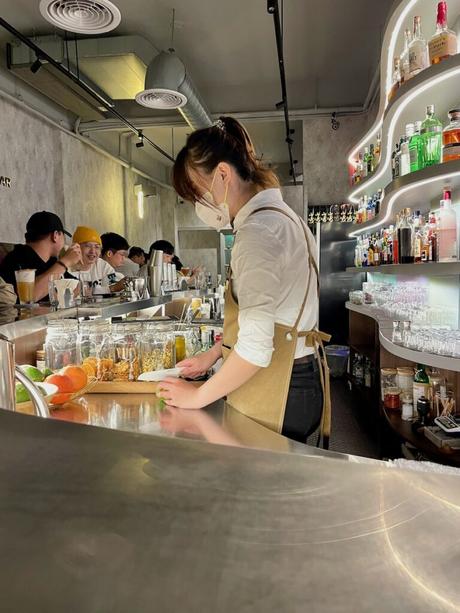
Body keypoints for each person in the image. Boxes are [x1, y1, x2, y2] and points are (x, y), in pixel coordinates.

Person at [157, 116, 331, 445]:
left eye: (196, 192)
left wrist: (196, 397)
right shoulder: (284, 218)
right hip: (301, 375)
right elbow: (274, 315)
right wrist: (213, 355)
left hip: (280, 386)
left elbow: (255, 347)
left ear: (223, 174)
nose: (198, 204)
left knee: (261, 486)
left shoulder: (257, 234)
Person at [0, 211, 82, 302]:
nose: (64, 243)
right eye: (63, 236)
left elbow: (78, 286)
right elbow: (27, 299)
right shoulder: (16, 258)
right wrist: (65, 262)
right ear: (55, 236)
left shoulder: (51, 262)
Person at [70, 226, 125, 293]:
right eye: (87, 246)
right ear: (76, 247)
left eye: (97, 247)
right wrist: (109, 289)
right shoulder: (67, 267)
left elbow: (115, 285)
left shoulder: (102, 265)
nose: (93, 251)